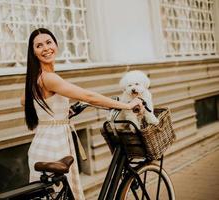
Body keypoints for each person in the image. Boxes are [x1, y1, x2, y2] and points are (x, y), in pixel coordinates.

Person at [20, 28, 143, 200]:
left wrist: (60, 113)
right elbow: (88, 96)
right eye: (39, 45)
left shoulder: (36, 78)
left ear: (56, 44)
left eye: (49, 42)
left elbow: (24, 101)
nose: (46, 48)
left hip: (43, 142)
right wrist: (126, 105)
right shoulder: (49, 78)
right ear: (33, 52)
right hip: (55, 144)